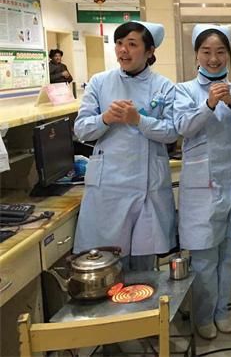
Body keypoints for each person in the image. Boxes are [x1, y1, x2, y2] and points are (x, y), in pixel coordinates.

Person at [174, 24, 231, 340]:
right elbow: (183, 127)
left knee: (229, 256)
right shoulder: (184, 90)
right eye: (206, 52)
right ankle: (203, 315)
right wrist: (209, 104)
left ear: (229, 55)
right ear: (196, 55)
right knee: (204, 259)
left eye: (220, 52)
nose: (213, 58)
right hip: (200, 185)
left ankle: (222, 311)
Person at [73, 21, 177, 271]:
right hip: (109, 187)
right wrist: (105, 118)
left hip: (147, 187)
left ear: (149, 51)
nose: (123, 50)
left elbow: (172, 132)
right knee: (108, 265)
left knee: (144, 266)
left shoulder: (164, 86)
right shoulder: (99, 82)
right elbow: (81, 129)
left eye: (132, 44)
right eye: (119, 43)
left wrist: (138, 120)